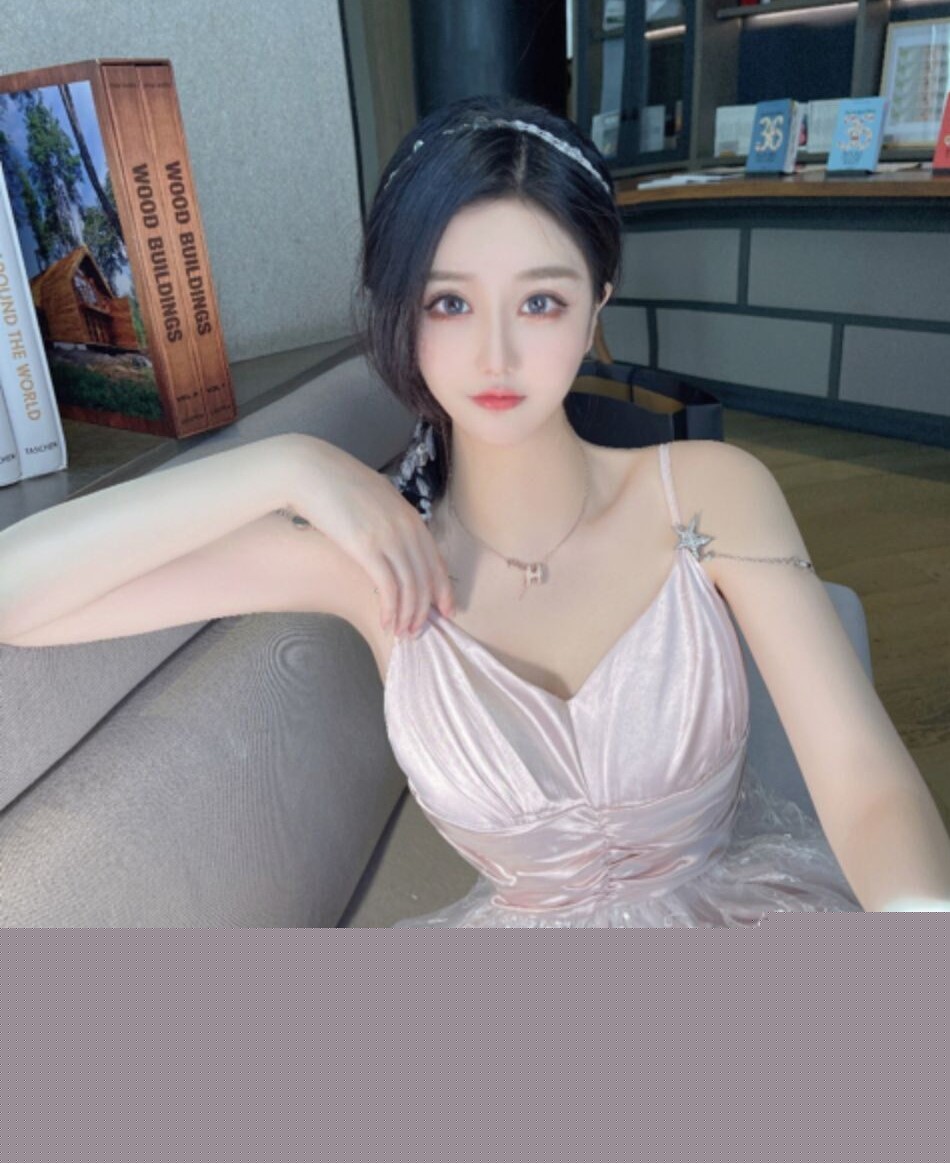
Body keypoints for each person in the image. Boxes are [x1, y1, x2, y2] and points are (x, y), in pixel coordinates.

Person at [1, 96, 948, 924]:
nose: (496, 353)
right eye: (449, 304)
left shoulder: (711, 492)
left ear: (597, 302)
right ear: (400, 311)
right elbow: (16, 595)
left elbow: (866, 784)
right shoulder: (371, 563)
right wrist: (283, 466)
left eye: (540, 303)